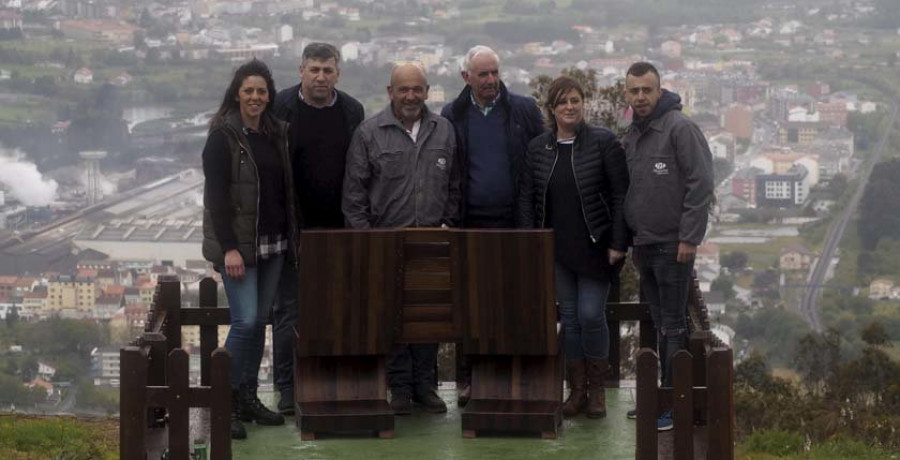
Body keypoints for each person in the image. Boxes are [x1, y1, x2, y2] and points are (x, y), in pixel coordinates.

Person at [342, 62, 460, 415]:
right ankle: (400, 389)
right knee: (390, 318)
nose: (411, 96)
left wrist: (448, 226)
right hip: (385, 243)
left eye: (417, 89)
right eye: (403, 89)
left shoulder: (445, 131)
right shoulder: (369, 133)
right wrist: (366, 242)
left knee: (430, 317)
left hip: (431, 242)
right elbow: (354, 195)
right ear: (390, 92)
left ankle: (425, 386)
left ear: (427, 91)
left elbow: (454, 185)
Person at [517, 76, 629, 419]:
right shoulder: (539, 148)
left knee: (592, 315)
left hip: (596, 248)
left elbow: (620, 194)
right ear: (552, 108)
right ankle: (576, 391)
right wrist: (531, 242)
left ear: (584, 104)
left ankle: (598, 391)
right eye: (563, 101)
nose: (570, 107)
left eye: (575, 100)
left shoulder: (603, 142)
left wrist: (618, 242)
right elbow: (527, 198)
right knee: (570, 319)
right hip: (557, 249)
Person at [440, 45, 544, 407]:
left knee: (512, 301)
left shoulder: (523, 110)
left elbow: (541, 159)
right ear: (465, 77)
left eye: (494, 72)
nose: (490, 80)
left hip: (515, 224)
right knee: (469, 304)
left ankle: (508, 376)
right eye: (482, 74)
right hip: (469, 224)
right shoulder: (451, 114)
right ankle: (468, 377)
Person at [201, 59, 299, 439]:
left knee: (260, 323)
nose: (255, 97)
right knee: (243, 323)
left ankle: (247, 397)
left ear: (269, 95)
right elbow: (216, 198)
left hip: (273, 243)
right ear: (237, 94)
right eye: (248, 91)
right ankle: (223, 403)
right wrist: (228, 249)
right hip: (239, 248)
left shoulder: (276, 133)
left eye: (261, 91)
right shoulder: (222, 137)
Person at [271, 42, 365, 415]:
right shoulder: (281, 107)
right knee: (288, 312)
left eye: (328, 70)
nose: (321, 77)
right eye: (314, 69)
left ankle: (336, 381)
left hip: (340, 229)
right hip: (293, 230)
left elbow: (361, 168)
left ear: (338, 73)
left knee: (341, 309)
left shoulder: (352, 110)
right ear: (301, 71)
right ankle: (287, 388)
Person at [621, 62, 714, 431]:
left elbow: (701, 182)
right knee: (661, 324)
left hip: (674, 247)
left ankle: (674, 407)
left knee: (674, 327)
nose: (641, 97)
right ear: (626, 93)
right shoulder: (632, 134)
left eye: (647, 90)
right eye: (634, 90)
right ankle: (661, 399)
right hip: (644, 246)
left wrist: (690, 238)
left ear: (660, 91)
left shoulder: (680, 128)